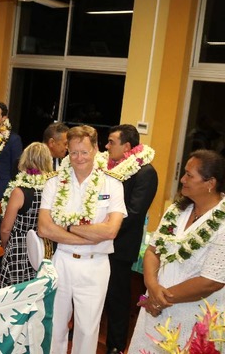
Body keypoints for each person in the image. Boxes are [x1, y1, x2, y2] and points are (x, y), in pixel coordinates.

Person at [38, 125, 126, 354]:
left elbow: (110, 231)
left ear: (95, 149)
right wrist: (90, 235)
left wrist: (66, 227)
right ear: (67, 150)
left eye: (84, 152)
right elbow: (44, 228)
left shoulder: (112, 184)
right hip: (61, 261)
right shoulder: (54, 182)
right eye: (74, 152)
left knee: (87, 331)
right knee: (54, 326)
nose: (79, 158)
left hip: (95, 266)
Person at [127, 150, 225, 353]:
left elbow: (211, 281)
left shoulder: (222, 222)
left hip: (193, 316)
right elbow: (152, 250)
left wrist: (161, 299)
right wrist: (153, 287)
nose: (182, 179)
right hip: (155, 309)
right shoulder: (178, 210)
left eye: (189, 175)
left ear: (210, 183)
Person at [101, 124, 158, 354]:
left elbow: (134, 213)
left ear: (126, 146)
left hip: (121, 245)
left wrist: (104, 229)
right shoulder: (108, 166)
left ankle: (115, 346)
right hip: (100, 239)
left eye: (111, 142)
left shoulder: (145, 172)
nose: (106, 146)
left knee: (117, 298)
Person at [0, 142, 54, 287]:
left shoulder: (20, 191)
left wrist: (5, 245)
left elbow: (5, 229)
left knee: (14, 293)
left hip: (19, 248)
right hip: (44, 247)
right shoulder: (52, 188)